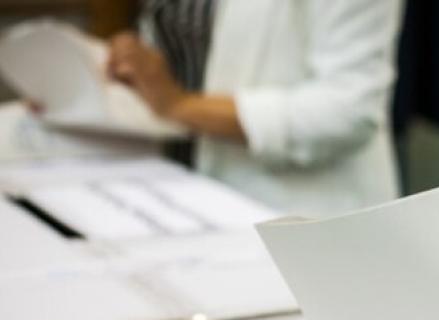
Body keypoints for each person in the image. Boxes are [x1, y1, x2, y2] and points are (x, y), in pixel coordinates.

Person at [105, 0, 403, 217]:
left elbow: (347, 111)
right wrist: (138, 60)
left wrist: (178, 104)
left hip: (299, 212)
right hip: (178, 192)